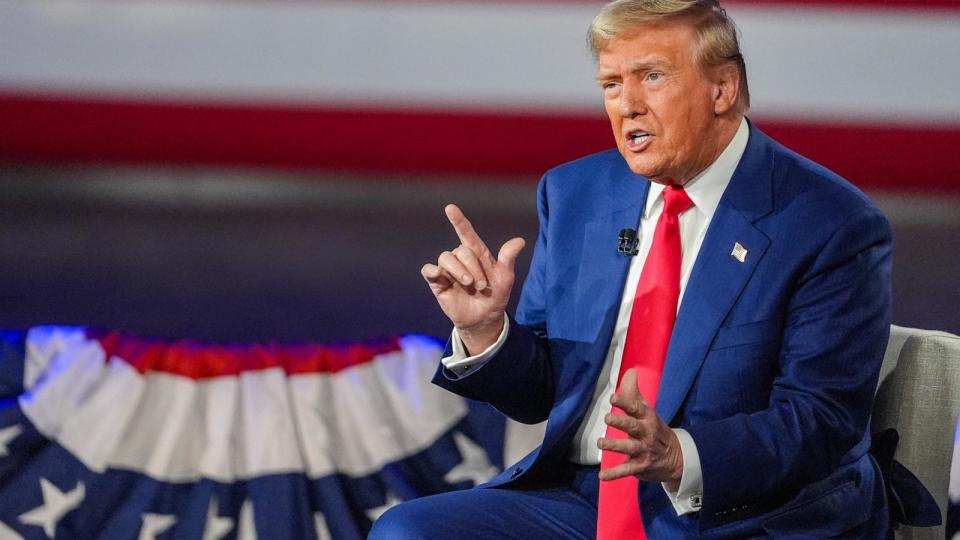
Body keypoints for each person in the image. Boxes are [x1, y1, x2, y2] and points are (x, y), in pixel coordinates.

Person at [372, 0, 896, 537]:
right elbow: (541, 395)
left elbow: (822, 419)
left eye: (652, 76)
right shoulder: (575, 193)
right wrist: (487, 332)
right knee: (407, 531)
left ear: (723, 88)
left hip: (738, 513)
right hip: (583, 500)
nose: (629, 106)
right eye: (612, 85)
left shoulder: (828, 223)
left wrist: (679, 455)